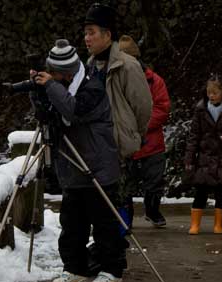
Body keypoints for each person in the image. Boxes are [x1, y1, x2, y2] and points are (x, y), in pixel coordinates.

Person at [33, 39, 126, 282]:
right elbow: (49, 115)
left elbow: (73, 111)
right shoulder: (60, 86)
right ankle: (75, 270)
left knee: (104, 222)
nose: (51, 76)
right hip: (73, 165)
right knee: (72, 223)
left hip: (96, 166)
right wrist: (39, 93)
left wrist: (50, 86)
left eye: (55, 74)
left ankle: (112, 271)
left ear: (67, 72)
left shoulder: (92, 87)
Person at [83, 3, 153, 230]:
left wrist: (133, 135)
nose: (87, 38)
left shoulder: (128, 66)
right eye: (85, 33)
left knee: (119, 198)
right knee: (100, 203)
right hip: (94, 147)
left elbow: (143, 107)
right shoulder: (90, 66)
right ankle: (105, 250)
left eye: (92, 32)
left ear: (108, 34)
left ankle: (120, 248)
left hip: (118, 146)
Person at [118, 34, 171, 228]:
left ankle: (152, 210)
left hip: (152, 142)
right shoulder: (113, 80)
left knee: (155, 182)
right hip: (125, 143)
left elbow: (162, 108)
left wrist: (140, 125)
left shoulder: (154, 81)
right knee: (125, 186)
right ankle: (126, 219)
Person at [183, 74, 222, 235]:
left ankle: (218, 224)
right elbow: (194, 136)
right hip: (204, 158)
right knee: (200, 191)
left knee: (221, 193)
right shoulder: (200, 109)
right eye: (209, 92)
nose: (211, 96)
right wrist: (189, 158)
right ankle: (195, 224)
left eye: (215, 92)